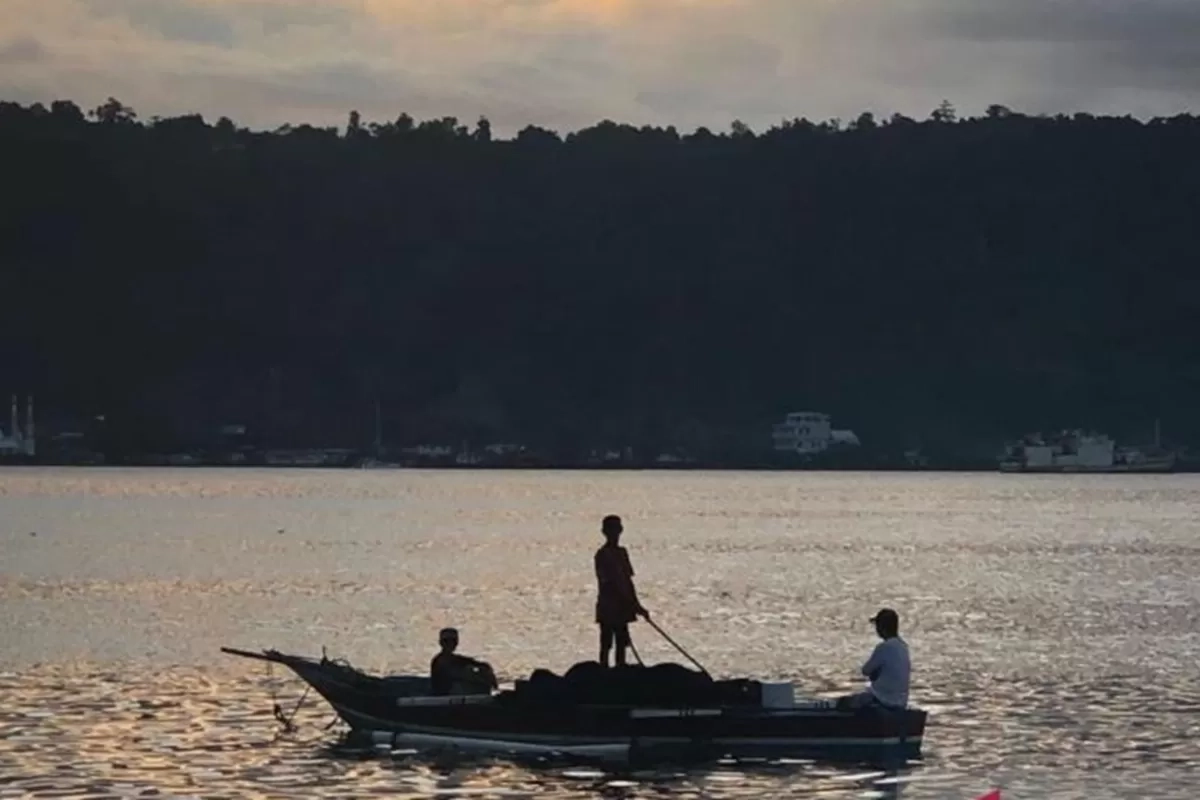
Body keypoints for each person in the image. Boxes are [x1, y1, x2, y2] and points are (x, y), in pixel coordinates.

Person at [594, 514, 649, 667]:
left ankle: (620, 669)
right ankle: (604, 671)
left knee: (622, 641)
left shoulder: (622, 553)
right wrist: (630, 603)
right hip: (608, 606)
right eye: (612, 529)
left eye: (617, 529)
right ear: (605, 532)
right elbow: (608, 583)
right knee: (606, 643)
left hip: (623, 607)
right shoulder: (602, 555)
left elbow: (628, 581)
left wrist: (637, 605)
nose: (615, 533)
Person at [837, 607, 910, 711]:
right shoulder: (904, 647)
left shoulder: (884, 647)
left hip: (882, 699)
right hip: (901, 702)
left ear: (881, 628)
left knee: (843, 702)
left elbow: (866, 671)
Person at [429, 627, 498, 696]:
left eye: (453, 641)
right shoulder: (440, 661)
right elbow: (456, 674)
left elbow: (474, 663)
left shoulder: (455, 659)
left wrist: (485, 669)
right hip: (445, 694)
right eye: (447, 641)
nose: (450, 644)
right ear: (441, 643)